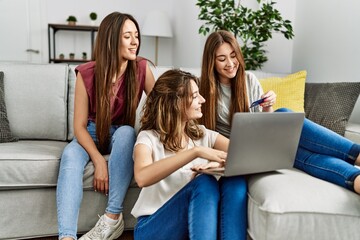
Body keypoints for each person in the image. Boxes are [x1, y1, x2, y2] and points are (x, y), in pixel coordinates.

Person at [198, 30, 360, 194]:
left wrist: (268, 107)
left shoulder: (249, 79)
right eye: (222, 59)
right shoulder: (201, 91)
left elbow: (264, 123)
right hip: (242, 152)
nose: (230, 63)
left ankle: (355, 179)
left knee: (290, 132)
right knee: (285, 115)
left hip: (266, 142)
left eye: (233, 56)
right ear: (211, 61)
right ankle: (357, 155)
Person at [56, 12, 155, 240]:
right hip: (90, 131)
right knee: (69, 157)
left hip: (122, 134)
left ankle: (112, 217)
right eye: (127, 36)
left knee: (128, 132)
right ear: (111, 39)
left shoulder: (140, 68)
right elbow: (79, 126)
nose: (135, 42)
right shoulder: (87, 72)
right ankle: (67, 237)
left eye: (136, 36)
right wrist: (99, 160)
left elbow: (164, 102)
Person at [131, 69, 248, 240]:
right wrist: (195, 152)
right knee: (204, 182)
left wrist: (219, 165)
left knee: (234, 178)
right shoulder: (148, 138)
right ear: (175, 102)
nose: (203, 100)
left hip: (188, 225)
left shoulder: (203, 134)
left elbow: (246, 154)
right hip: (151, 228)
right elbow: (142, 176)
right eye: (195, 96)